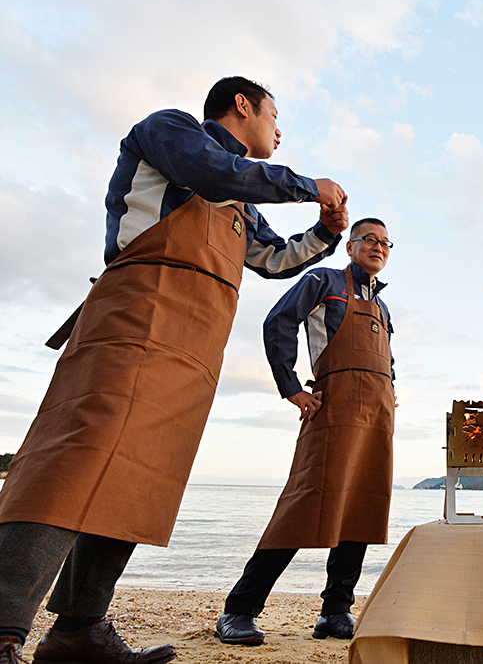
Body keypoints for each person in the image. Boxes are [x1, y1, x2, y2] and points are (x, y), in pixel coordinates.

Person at [0, 76, 350, 664]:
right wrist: (306, 186)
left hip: (194, 346)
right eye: (274, 116)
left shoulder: (243, 200)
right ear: (242, 105)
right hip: (134, 317)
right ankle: (4, 626)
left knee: (139, 479)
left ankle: (78, 631)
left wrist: (323, 234)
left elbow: (272, 259)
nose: (279, 131)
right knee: (71, 460)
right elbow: (213, 172)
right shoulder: (172, 132)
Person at [215, 217, 396, 645]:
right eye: (369, 239)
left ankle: (336, 611)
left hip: (378, 414)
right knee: (302, 503)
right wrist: (291, 387)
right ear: (350, 246)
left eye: (386, 243)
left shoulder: (383, 306)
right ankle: (239, 609)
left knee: (361, 508)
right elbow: (278, 321)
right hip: (334, 406)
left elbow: (387, 358)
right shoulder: (323, 281)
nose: (378, 247)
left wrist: (391, 387)